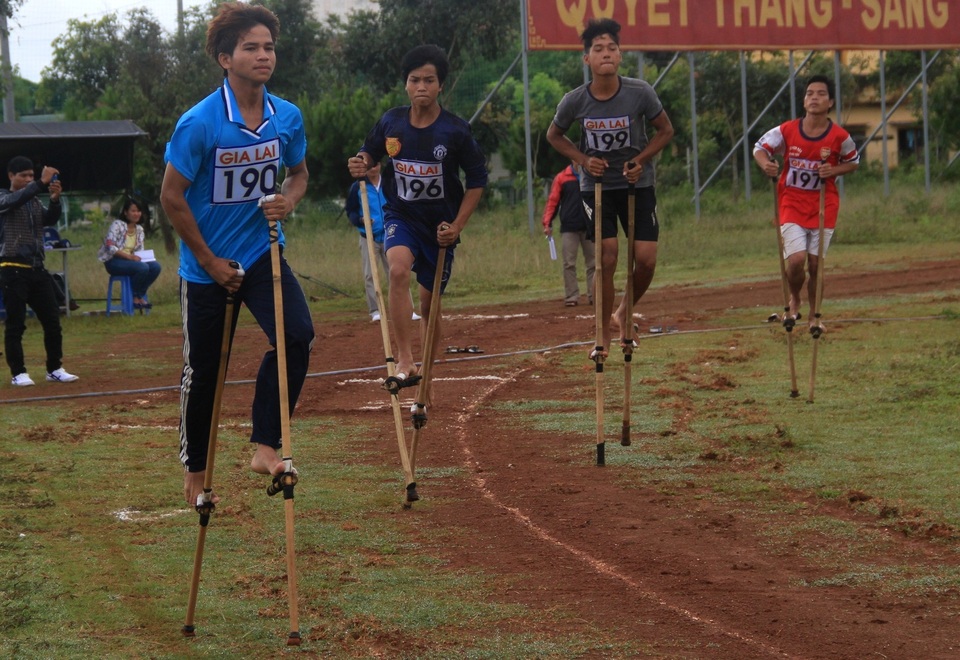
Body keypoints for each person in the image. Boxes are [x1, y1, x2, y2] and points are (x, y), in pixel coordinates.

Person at [160, 2, 314, 507]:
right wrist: (207, 261)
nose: (264, 55)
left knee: (297, 335)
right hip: (207, 269)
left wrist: (287, 201)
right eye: (251, 47)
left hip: (262, 255)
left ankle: (265, 444)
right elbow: (172, 196)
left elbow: (300, 173)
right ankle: (195, 469)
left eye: (269, 46)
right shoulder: (199, 123)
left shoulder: (286, 116)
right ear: (226, 58)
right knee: (205, 372)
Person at [347, 44, 487, 397]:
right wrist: (361, 160)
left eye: (429, 80)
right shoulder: (392, 122)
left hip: (440, 227)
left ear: (441, 85)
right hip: (401, 215)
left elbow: (477, 181)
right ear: (406, 85)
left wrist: (457, 226)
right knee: (396, 270)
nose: (421, 86)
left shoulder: (455, 130)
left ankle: (428, 363)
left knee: (429, 304)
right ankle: (405, 360)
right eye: (414, 80)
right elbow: (370, 150)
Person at [546, 18, 674, 358]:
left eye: (612, 48)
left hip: (637, 184)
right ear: (587, 59)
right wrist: (583, 160)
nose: (606, 54)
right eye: (598, 49)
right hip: (597, 188)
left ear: (620, 56)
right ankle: (601, 334)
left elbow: (665, 130)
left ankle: (624, 311)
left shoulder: (640, 92)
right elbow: (554, 136)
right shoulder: (574, 101)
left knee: (645, 260)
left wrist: (642, 159)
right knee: (607, 257)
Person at [754, 74, 860, 332]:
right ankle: (794, 299)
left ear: (830, 101)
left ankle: (815, 315)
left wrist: (833, 171)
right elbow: (760, 147)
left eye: (821, 94)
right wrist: (766, 165)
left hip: (824, 205)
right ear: (803, 101)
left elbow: (854, 161)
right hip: (791, 202)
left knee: (815, 264)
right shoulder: (787, 130)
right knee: (796, 260)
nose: (814, 98)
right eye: (810, 93)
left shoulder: (839, 136)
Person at [0, 156, 79, 386]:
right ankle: (18, 372)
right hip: (12, 268)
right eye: (23, 175)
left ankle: (54, 368)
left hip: (37, 268)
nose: (27, 180)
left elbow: (48, 220)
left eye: (30, 176)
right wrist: (40, 184)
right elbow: (15, 200)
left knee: (52, 320)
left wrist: (54, 200)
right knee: (16, 323)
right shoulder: (4, 197)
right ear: (10, 176)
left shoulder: (34, 201)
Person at [344, 162, 420, 323]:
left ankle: (408, 309)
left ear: (379, 165)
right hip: (368, 237)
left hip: (390, 234)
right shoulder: (358, 187)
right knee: (370, 274)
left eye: (375, 165)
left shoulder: (390, 183)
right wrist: (360, 220)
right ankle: (375, 310)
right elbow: (350, 210)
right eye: (369, 166)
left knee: (398, 272)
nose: (373, 168)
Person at [542, 161, 595, 307]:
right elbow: (553, 201)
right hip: (569, 228)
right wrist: (547, 222)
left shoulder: (592, 176)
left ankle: (594, 294)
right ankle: (572, 296)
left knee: (593, 263)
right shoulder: (562, 178)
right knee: (569, 263)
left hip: (590, 227)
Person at [97, 199, 162, 309]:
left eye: (138, 211)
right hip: (114, 261)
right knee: (143, 268)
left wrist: (143, 257)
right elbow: (110, 246)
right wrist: (129, 257)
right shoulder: (117, 225)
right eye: (133, 211)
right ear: (125, 212)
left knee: (156, 266)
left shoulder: (140, 229)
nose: (136, 214)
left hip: (131, 261)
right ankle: (134, 298)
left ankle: (138, 295)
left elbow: (139, 250)